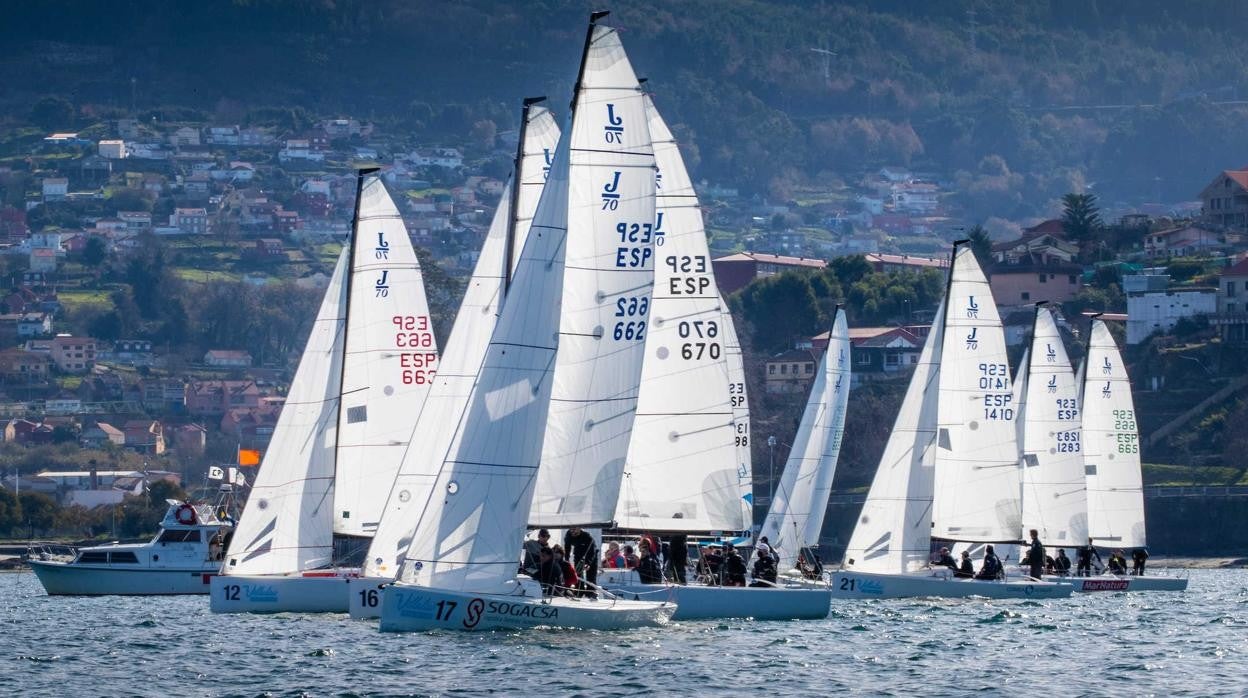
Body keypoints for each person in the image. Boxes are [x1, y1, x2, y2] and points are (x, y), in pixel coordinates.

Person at [664, 518, 688, 585]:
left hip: (678, 550)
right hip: (677, 550)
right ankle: (678, 581)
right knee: (676, 568)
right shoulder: (681, 527)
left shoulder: (680, 527)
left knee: (679, 569)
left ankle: (681, 582)